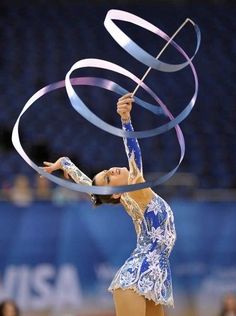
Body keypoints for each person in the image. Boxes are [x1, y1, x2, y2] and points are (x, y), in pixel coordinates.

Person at [42, 93, 176, 316]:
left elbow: (88, 184)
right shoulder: (136, 190)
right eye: (108, 179)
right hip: (135, 276)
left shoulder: (125, 197)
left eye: (106, 172)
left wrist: (65, 163)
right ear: (114, 193)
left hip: (155, 273)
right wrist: (125, 120)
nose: (111, 172)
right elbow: (134, 155)